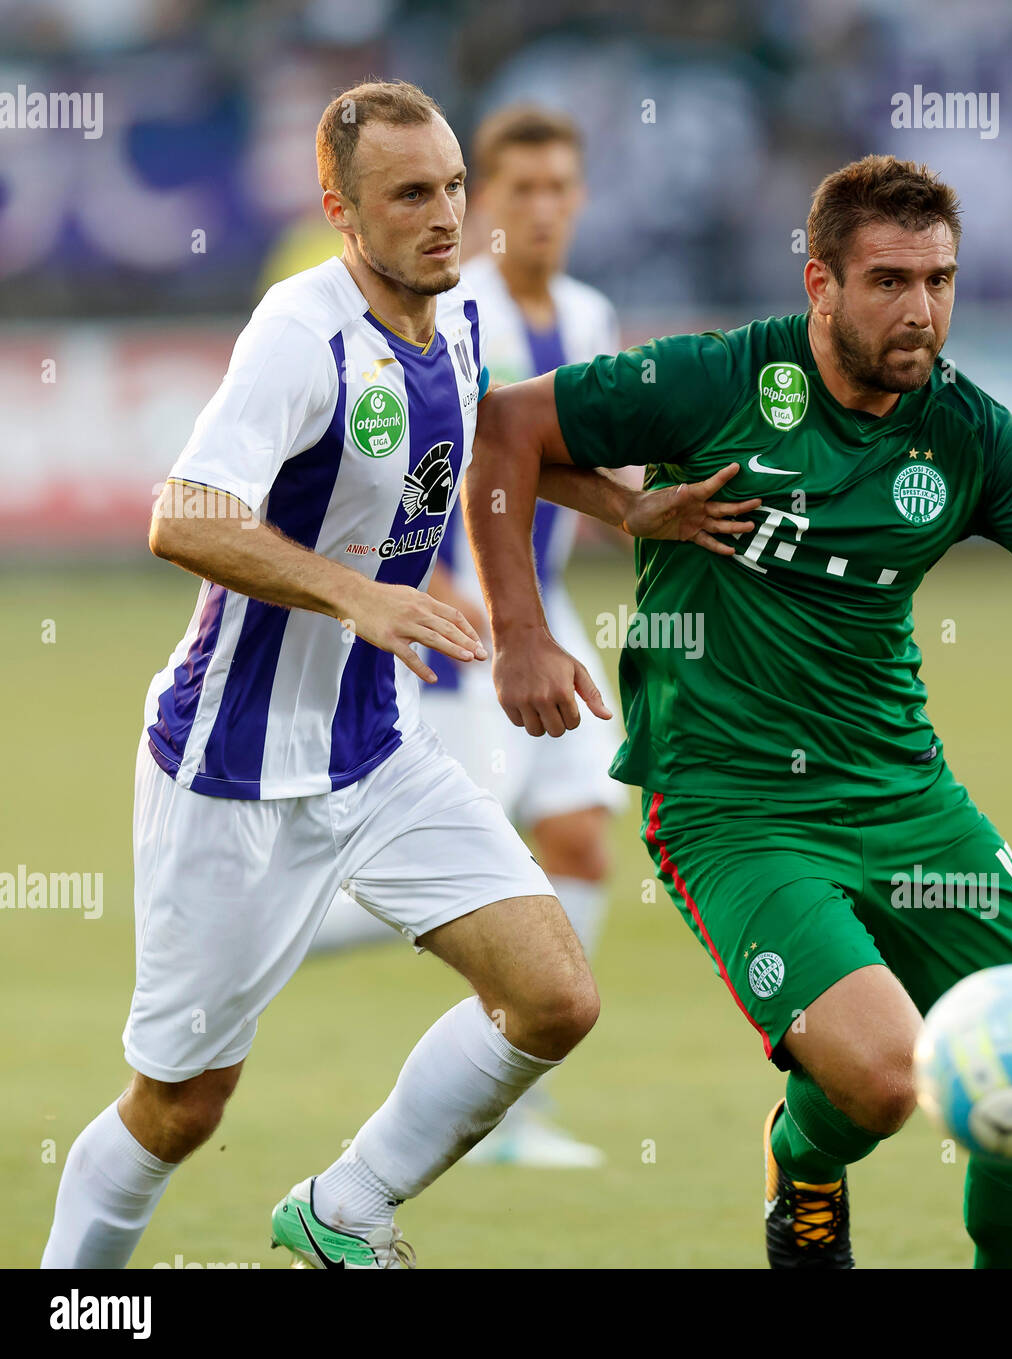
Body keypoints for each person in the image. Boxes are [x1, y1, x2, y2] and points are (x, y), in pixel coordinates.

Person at [39, 79, 752, 1270]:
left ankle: (344, 1205)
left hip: (375, 750)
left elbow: (482, 443)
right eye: (409, 195)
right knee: (179, 1109)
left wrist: (630, 509)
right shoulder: (297, 332)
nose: (444, 215)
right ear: (340, 209)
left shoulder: (457, 314)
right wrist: (357, 590)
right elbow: (184, 516)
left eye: (453, 188)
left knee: (552, 999)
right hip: (229, 770)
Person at [459, 154, 1012, 1269]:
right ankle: (803, 1162)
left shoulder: (966, 432)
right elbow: (505, 429)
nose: (920, 310)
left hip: (908, 797)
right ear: (819, 284)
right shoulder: (715, 380)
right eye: (890, 281)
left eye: (940, 281)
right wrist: (528, 628)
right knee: (883, 1078)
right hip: (733, 808)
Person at [310, 105, 625, 1170]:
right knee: (469, 864)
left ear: (580, 200)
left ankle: (515, 1110)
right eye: (518, 191)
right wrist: (450, 602)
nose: (540, 210)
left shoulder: (586, 314)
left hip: (544, 611)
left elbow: (592, 464)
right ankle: (286, 923)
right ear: (481, 202)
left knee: (580, 838)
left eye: (559, 190)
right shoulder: (454, 307)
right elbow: (425, 468)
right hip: (461, 620)